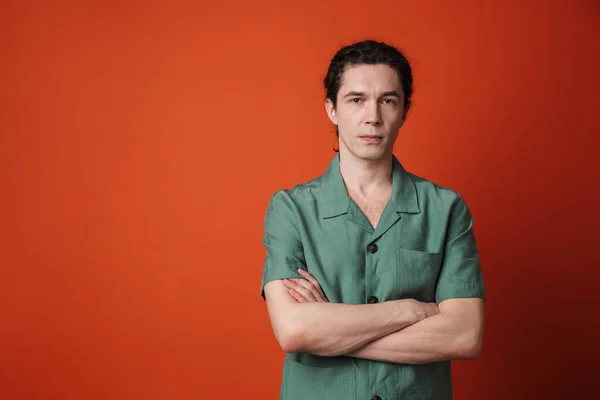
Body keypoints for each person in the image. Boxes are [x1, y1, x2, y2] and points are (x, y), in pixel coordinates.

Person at [260, 39, 486, 400]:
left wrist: (330, 331)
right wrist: (412, 310)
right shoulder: (290, 209)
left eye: (388, 100)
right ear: (331, 109)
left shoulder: (447, 209)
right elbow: (293, 331)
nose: (373, 117)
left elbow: (464, 335)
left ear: (404, 111)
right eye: (356, 99)